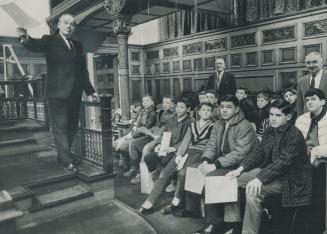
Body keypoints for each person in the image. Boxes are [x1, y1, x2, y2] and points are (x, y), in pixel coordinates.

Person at [17, 14, 98, 173]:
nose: (69, 26)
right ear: (59, 25)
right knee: (60, 127)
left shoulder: (78, 45)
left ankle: (63, 156)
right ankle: (68, 161)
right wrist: (24, 36)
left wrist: (90, 91)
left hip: (75, 94)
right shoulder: (50, 40)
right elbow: (34, 44)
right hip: (57, 93)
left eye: (72, 24)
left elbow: (83, 72)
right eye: (66, 23)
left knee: (72, 126)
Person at [226, 99, 312, 234]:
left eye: (278, 115)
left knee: (253, 192)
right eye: (271, 114)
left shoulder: (294, 135)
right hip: (271, 173)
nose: (273, 118)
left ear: (288, 117)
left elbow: (283, 163)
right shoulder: (270, 131)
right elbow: (258, 153)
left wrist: (259, 179)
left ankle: (249, 231)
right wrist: (239, 169)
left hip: (291, 180)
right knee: (231, 181)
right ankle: (233, 224)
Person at [178, 95, 257, 224]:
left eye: (229, 107)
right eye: (222, 107)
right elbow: (212, 144)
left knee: (211, 178)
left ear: (237, 109)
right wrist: (206, 160)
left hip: (239, 164)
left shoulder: (245, 126)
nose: (224, 110)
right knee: (193, 170)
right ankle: (192, 209)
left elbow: (240, 153)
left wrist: (216, 165)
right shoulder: (219, 123)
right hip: (221, 160)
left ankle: (215, 223)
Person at [138, 102, 214, 214]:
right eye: (203, 110)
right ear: (199, 111)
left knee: (182, 173)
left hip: (200, 154)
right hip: (187, 151)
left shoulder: (214, 126)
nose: (205, 112)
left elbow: (212, 145)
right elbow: (186, 141)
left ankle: (175, 202)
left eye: (208, 110)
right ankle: (149, 203)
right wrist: (179, 155)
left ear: (212, 112)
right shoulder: (193, 125)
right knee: (164, 173)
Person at [295, 88, 327, 234]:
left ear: (322, 101)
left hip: (322, 161)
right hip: (302, 160)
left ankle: (317, 227)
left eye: (313, 99)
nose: (309, 102)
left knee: (318, 176)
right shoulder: (301, 119)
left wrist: (316, 152)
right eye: (307, 100)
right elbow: (295, 143)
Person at [129, 95, 175, 184]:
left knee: (147, 148)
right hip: (153, 134)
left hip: (163, 138)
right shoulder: (161, 112)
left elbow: (170, 132)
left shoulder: (174, 116)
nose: (165, 105)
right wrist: (148, 131)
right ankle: (134, 167)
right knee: (134, 143)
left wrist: (157, 137)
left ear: (173, 105)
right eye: (164, 102)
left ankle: (140, 174)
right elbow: (156, 126)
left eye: (168, 103)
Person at [115, 95, 157, 178]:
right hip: (134, 133)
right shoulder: (141, 111)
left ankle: (134, 167)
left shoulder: (152, 114)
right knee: (117, 144)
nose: (145, 103)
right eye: (143, 101)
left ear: (152, 102)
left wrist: (132, 135)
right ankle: (127, 162)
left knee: (128, 144)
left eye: (147, 101)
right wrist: (131, 130)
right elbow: (133, 124)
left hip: (143, 136)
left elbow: (145, 128)